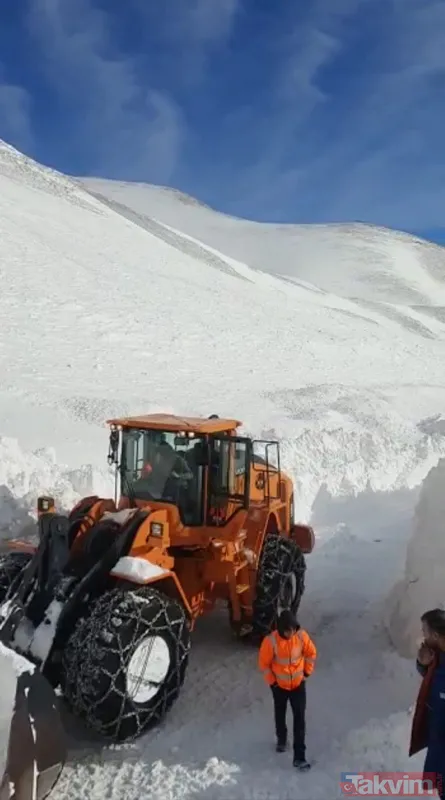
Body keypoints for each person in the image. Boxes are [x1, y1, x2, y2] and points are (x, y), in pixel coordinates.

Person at [258, 608, 317, 770]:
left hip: (298, 686)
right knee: (280, 714)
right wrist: (273, 683)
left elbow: (311, 653)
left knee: (299, 719)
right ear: (280, 628)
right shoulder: (270, 642)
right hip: (279, 687)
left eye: (292, 629)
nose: (290, 633)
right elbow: (264, 664)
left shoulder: (301, 637)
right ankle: (282, 740)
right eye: (287, 630)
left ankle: (299, 756)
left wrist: (306, 672)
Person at [409, 608, 445, 799]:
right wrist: (422, 663)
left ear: (436, 635)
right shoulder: (435, 655)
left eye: (425, 631)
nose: (422, 635)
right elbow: (431, 679)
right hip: (438, 732)